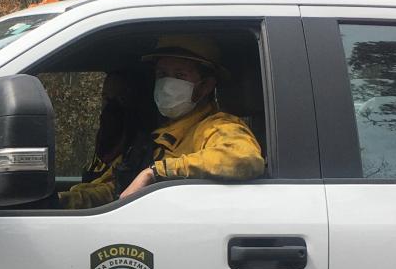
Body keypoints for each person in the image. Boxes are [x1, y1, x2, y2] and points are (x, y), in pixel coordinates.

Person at [60, 36, 265, 209]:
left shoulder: (218, 127)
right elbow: (117, 188)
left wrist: (156, 172)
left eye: (179, 75)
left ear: (205, 86)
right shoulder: (154, 135)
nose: (168, 83)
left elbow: (243, 158)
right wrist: (65, 202)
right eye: (162, 74)